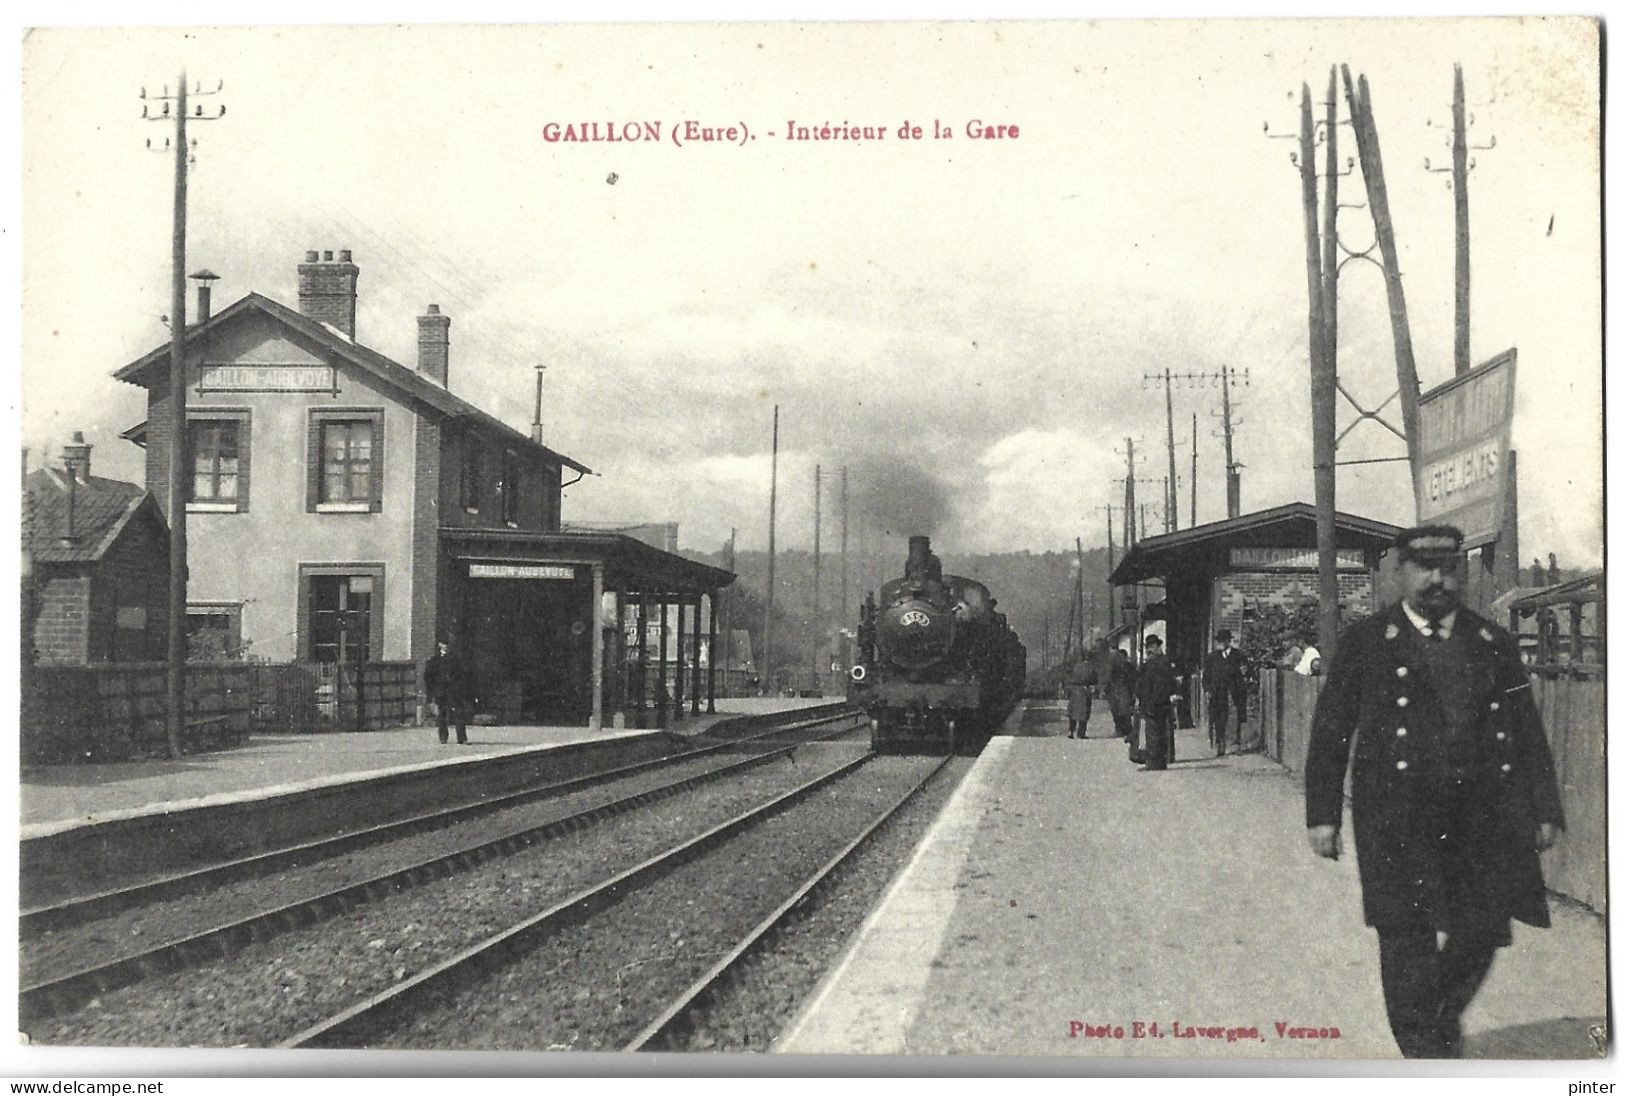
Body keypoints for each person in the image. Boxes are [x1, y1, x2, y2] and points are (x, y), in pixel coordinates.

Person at [1304, 524, 1564, 1059]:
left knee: (1486, 928)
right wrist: (1322, 813)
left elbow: (1526, 730)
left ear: (1461, 574)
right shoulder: (1367, 642)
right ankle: (1425, 1053)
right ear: (1400, 572)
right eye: (1423, 566)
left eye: (1448, 568)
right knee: (1406, 933)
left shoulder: (1493, 642)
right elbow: (1331, 731)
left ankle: (1431, 1020)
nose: (1436, 578)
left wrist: (1543, 807)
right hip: (1395, 816)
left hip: (1480, 816)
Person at [1135, 634, 1179, 770]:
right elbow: (1171, 682)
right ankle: (1162, 761)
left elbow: (1142, 685)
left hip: (1151, 702)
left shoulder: (1148, 665)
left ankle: (1153, 762)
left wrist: (1140, 699)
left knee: (1152, 732)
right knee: (1161, 731)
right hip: (1163, 701)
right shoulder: (1165, 662)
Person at [1202, 628, 1248, 757]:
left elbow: (1246, 671)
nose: (1221, 643)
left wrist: (1245, 671)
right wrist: (1207, 690)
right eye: (1219, 641)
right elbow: (1206, 677)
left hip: (1234, 692)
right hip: (1217, 693)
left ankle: (1235, 745)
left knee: (1235, 718)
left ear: (1229, 641)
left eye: (1223, 641)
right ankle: (1220, 745)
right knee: (1218, 719)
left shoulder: (1238, 655)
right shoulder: (1212, 657)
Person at [425, 638, 473, 745]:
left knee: (458, 713)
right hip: (440, 691)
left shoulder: (455, 659)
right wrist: (431, 693)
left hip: (453, 691)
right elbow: (429, 677)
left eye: (447, 644)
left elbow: (462, 675)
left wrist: (458, 687)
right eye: (443, 644)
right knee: (441, 714)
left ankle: (461, 738)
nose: (445, 646)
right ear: (439, 645)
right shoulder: (434, 660)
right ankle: (443, 737)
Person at [1103, 646, 1139, 753]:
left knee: (1120, 710)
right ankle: (1125, 730)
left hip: (1120, 690)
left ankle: (1123, 730)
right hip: (1123, 690)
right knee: (1122, 710)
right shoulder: (1128, 666)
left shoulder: (1114, 664)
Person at [1065, 651, 1099, 738]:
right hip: (1085, 690)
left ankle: (1071, 731)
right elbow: (1094, 679)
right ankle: (1081, 733)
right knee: (1084, 713)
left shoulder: (1077, 666)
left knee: (1073, 712)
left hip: (1075, 690)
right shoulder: (1091, 668)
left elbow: (1070, 676)